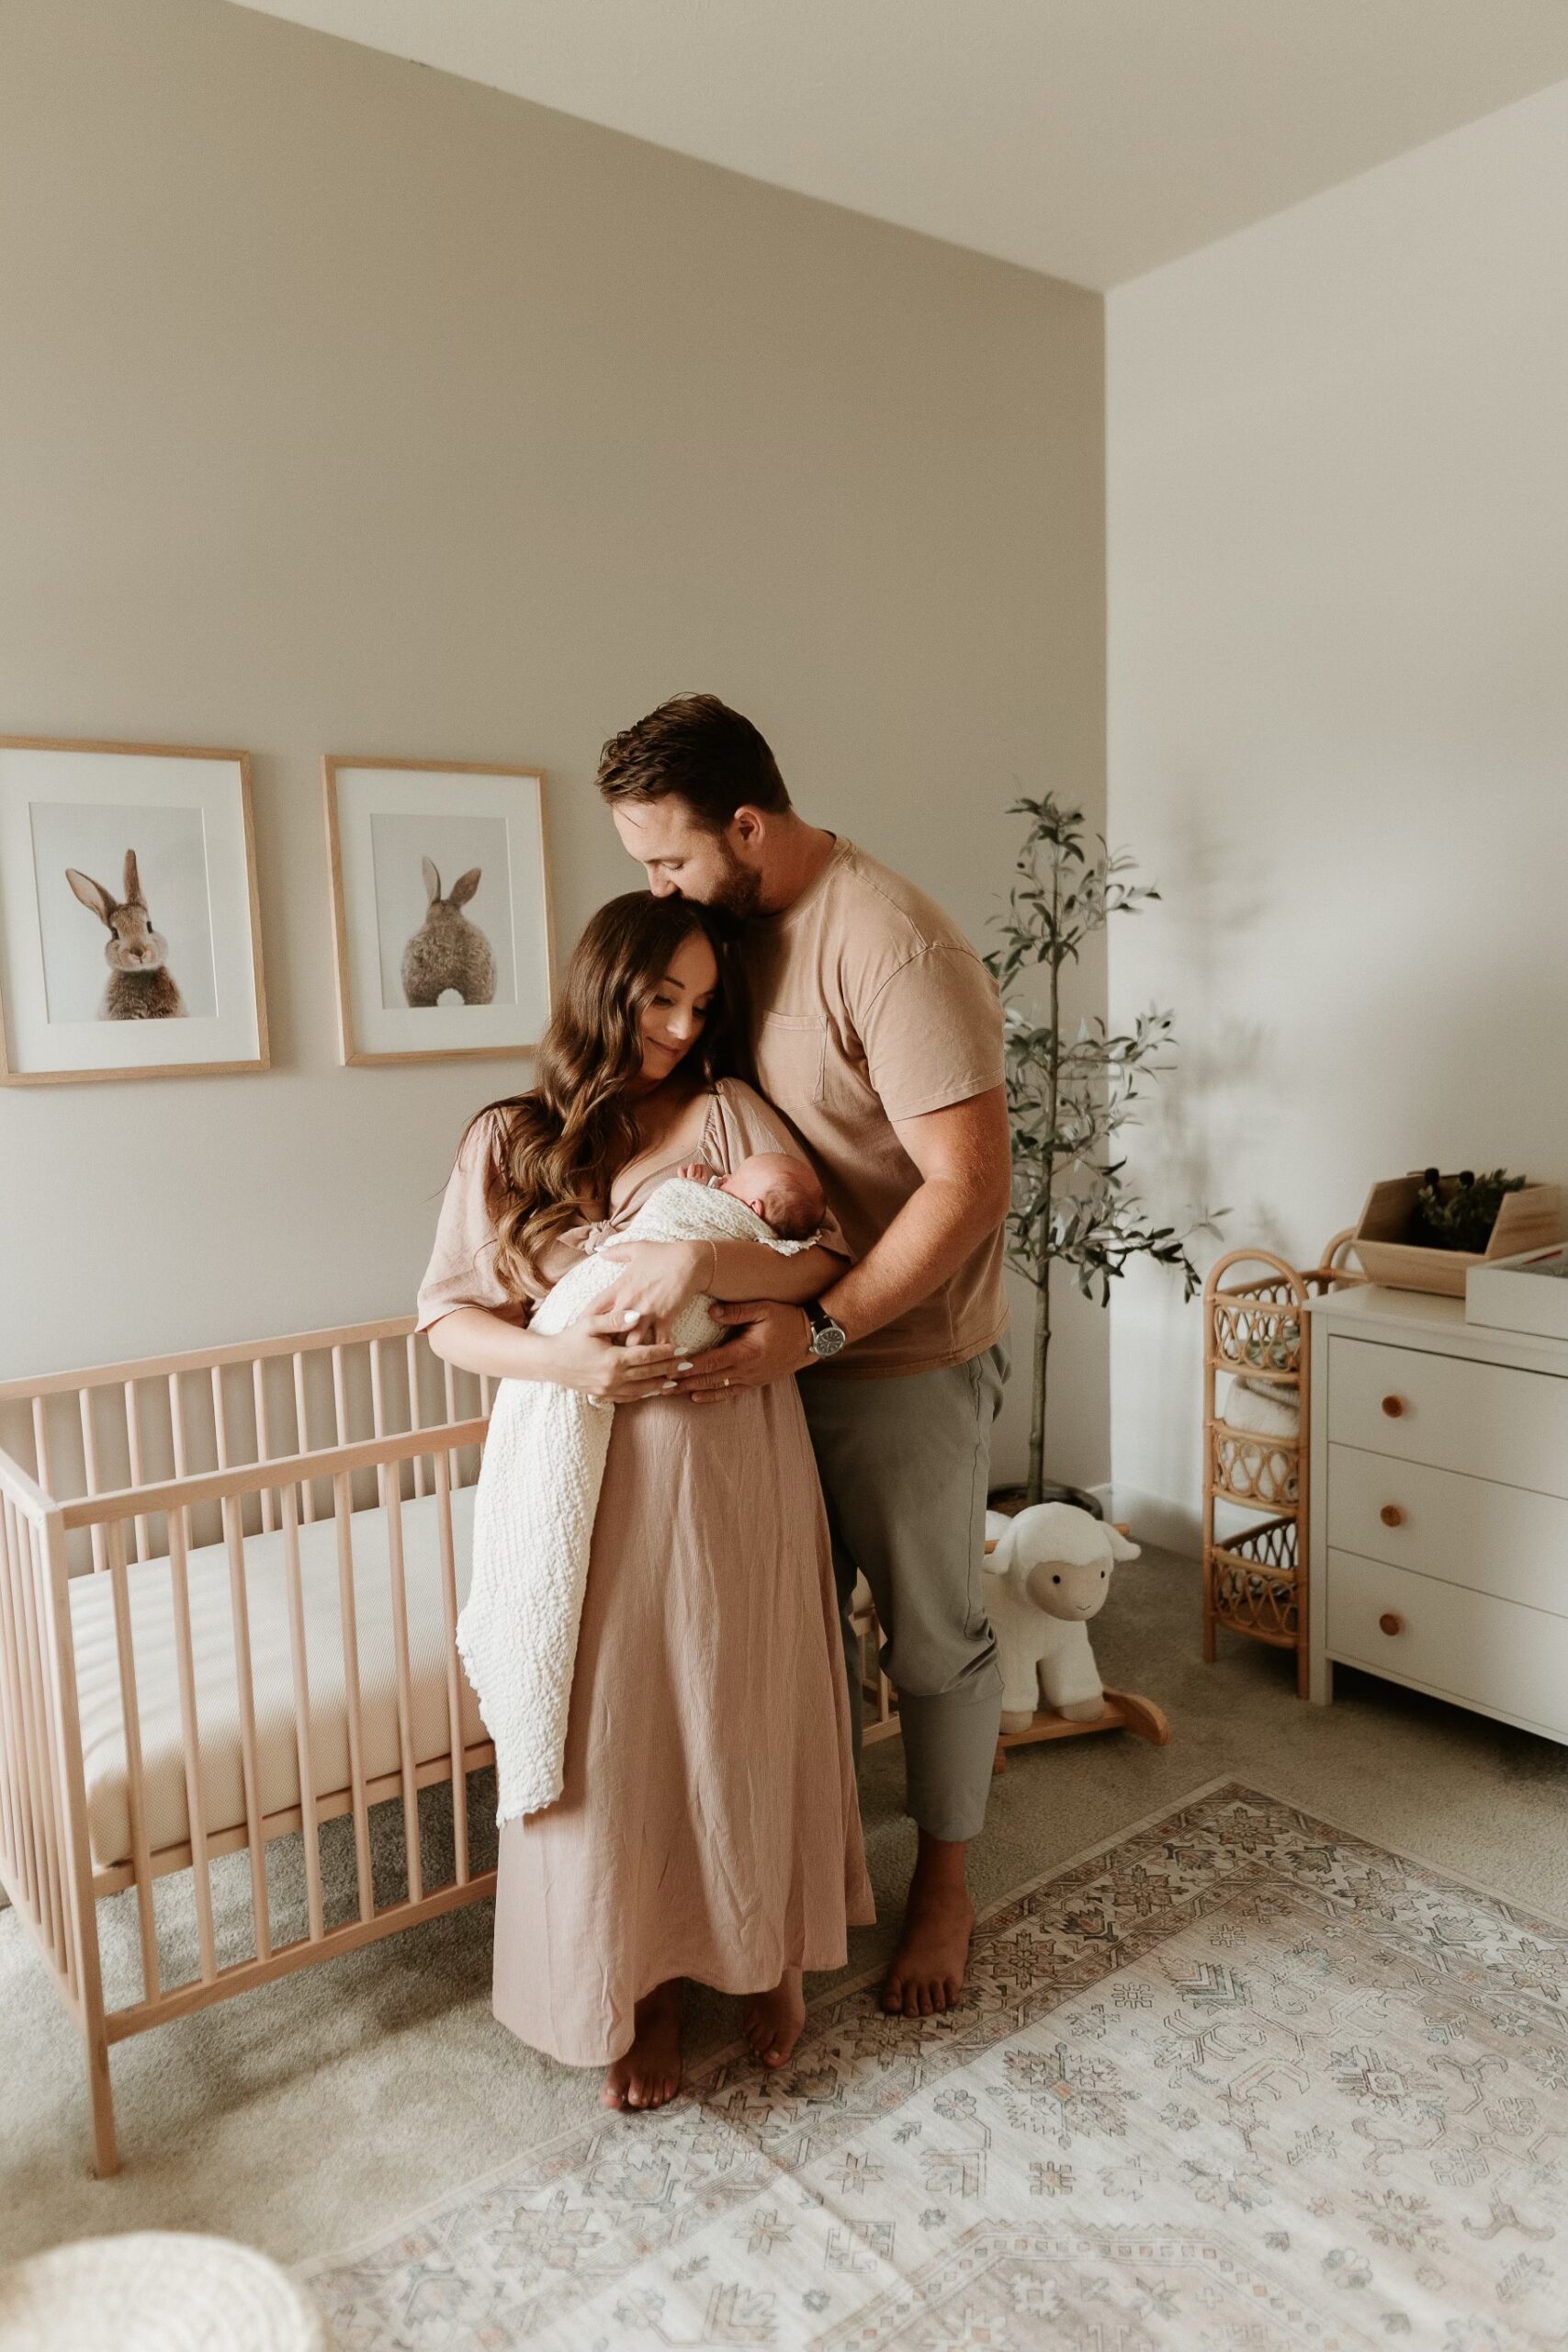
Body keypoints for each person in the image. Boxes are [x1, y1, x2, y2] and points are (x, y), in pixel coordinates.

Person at [416, 891, 874, 2110]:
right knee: (617, 1737)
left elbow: (824, 1250)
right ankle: (645, 1989)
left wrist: (698, 1257)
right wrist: (573, 1360)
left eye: (701, 1004)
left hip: (735, 1462)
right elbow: (448, 1318)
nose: (679, 1027)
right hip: (594, 1479)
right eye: (659, 998)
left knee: (746, 1700)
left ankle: (769, 1948)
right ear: (600, 988)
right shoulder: (509, 1140)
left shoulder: (727, 1113)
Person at [598, 694, 1012, 2022]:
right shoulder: (725, 939)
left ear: (749, 823)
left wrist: (825, 1327)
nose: (659, 887)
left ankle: (944, 1882)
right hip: (765, 1352)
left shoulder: (890, 945)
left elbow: (969, 1185)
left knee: (931, 1640)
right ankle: (783, 1895)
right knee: (783, 1648)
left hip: (891, 1357)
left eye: (669, 860)